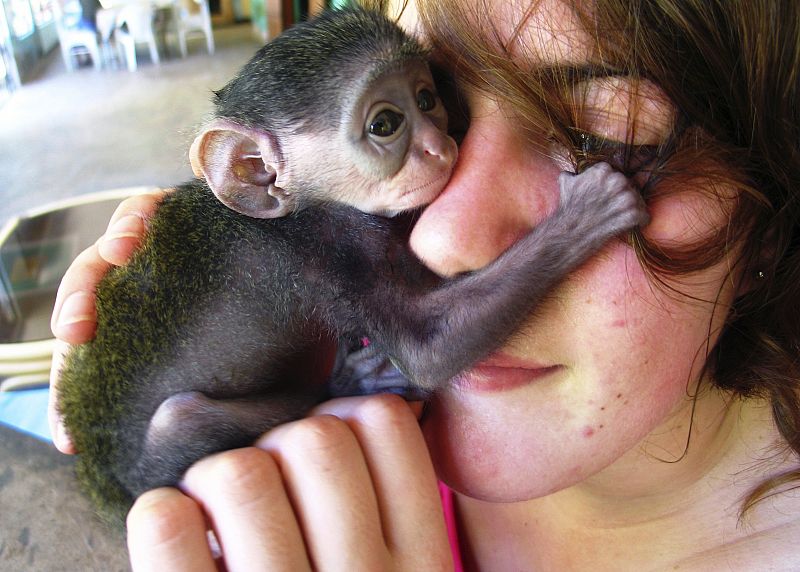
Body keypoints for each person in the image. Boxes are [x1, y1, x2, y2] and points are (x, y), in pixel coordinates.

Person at [49, 0, 800, 569]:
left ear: (774, 188)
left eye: (601, 133)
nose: (439, 238)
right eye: (451, 103)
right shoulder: (286, 486)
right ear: (255, 176)